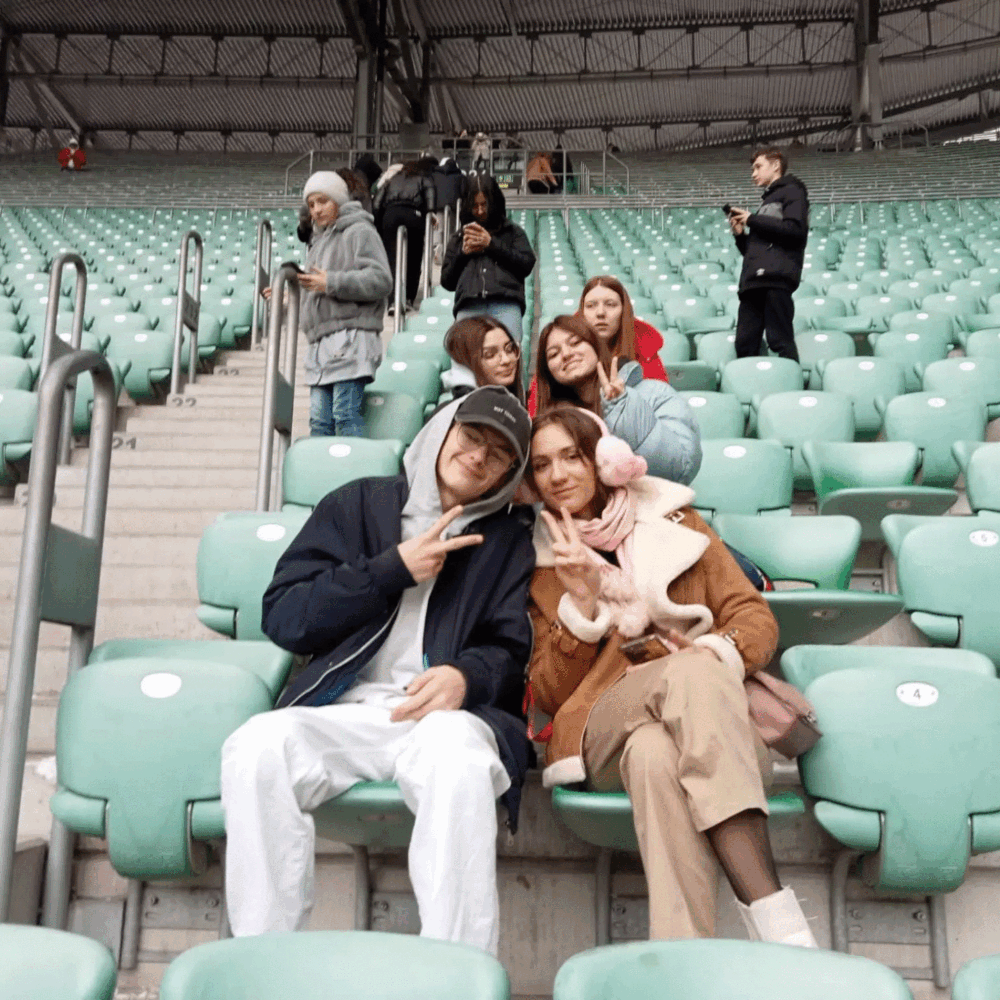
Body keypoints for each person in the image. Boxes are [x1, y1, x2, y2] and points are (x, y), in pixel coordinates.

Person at [221, 387, 536, 955]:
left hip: (446, 718)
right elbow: (286, 616)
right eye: (471, 437)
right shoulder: (357, 504)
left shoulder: (509, 540)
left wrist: (466, 678)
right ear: (442, 430)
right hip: (349, 710)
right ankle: (262, 960)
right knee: (256, 747)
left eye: (498, 454)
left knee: (459, 760)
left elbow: (511, 651)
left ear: (508, 474)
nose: (478, 456)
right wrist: (390, 570)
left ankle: (458, 973)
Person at [526, 405, 817, 947]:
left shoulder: (676, 521)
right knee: (688, 675)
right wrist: (581, 603)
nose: (558, 474)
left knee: (655, 755)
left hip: (705, 723)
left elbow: (753, 618)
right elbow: (551, 692)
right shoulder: (541, 562)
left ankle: (684, 957)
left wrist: (711, 650)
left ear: (601, 459)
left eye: (571, 456)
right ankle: (780, 923)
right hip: (603, 725)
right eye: (542, 465)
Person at [532, 315, 701, 485]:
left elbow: (681, 468)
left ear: (595, 345)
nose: (566, 354)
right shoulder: (549, 422)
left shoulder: (654, 392)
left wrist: (623, 409)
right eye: (553, 354)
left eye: (575, 343)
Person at [296, 170, 392, 438]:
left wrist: (332, 282)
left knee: (345, 415)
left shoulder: (360, 231)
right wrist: (289, 296)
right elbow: (318, 287)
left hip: (351, 340)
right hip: (321, 346)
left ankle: (355, 467)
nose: (316, 210)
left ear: (338, 199)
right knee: (319, 423)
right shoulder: (318, 242)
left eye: (322, 201)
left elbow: (381, 280)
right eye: (311, 204)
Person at [526, 276, 668, 414]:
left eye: (610, 304)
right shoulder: (563, 354)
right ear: (582, 312)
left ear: (624, 311)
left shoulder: (646, 352)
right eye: (591, 306)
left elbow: (662, 408)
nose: (600, 313)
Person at [728, 147, 809, 362]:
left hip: (776, 280)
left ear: (775, 165)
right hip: (753, 282)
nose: (753, 174)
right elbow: (753, 252)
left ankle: (791, 379)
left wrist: (752, 219)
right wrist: (740, 235)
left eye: (758, 167)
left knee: (780, 340)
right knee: (745, 344)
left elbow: (796, 231)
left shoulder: (793, 191)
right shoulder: (767, 201)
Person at [440, 174, 536, 340]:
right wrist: (462, 254)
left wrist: (491, 244)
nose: (480, 211)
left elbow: (527, 264)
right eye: (475, 206)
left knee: (508, 354)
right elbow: (447, 281)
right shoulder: (459, 237)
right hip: (469, 305)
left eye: (484, 205)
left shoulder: (513, 232)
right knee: (465, 356)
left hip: (506, 304)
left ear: (494, 202)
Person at [373, 157, 437, 309]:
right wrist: (431, 212)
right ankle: (408, 298)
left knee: (391, 259)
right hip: (413, 216)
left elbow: (376, 204)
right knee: (414, 259)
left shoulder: (391, 179)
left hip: (390, 216)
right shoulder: (423, 178)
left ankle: (392, 301)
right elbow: (430, 196)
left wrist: (379, 223)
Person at [442, 315, 525, 404]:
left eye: (509, 349)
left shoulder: (509, 400)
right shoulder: (469, 410)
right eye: (490, 355)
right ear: (466, 365)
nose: (506, 360)